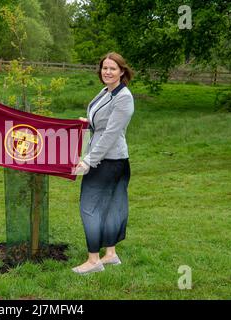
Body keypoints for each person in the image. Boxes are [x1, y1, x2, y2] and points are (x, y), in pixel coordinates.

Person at [72, 52, 134, 274]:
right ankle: (111, 254)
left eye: (112, 68)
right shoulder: (106, 91)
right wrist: (88, 123)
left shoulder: (124, 97)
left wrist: (88, 161)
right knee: (108, 209)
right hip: (108, 160)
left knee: (90, 208)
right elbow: (102, 123)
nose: (107, 72)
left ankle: (93, 261)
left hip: (109, 161)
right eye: (104, 68)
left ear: (122, 72)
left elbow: (110, 134)